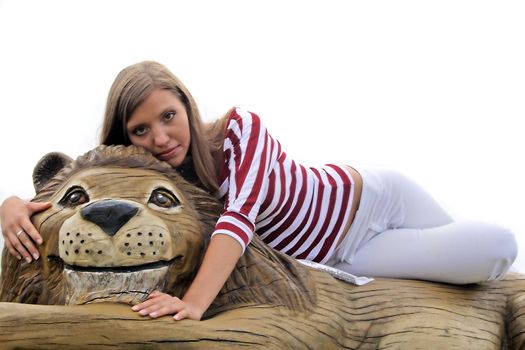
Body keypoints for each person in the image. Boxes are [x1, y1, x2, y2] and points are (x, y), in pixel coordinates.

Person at [0, 61, 518, 321]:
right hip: (354, 256)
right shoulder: (162, 176)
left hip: (373, 200)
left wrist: (195, 304)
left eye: (168, 117)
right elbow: (83, 184)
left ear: (187, 105)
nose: (159, 138)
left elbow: (239, 219)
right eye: (139, 130)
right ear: (124, 136)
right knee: (475, 267)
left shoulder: (240, 130)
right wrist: (13, 205)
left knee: (497, 253)